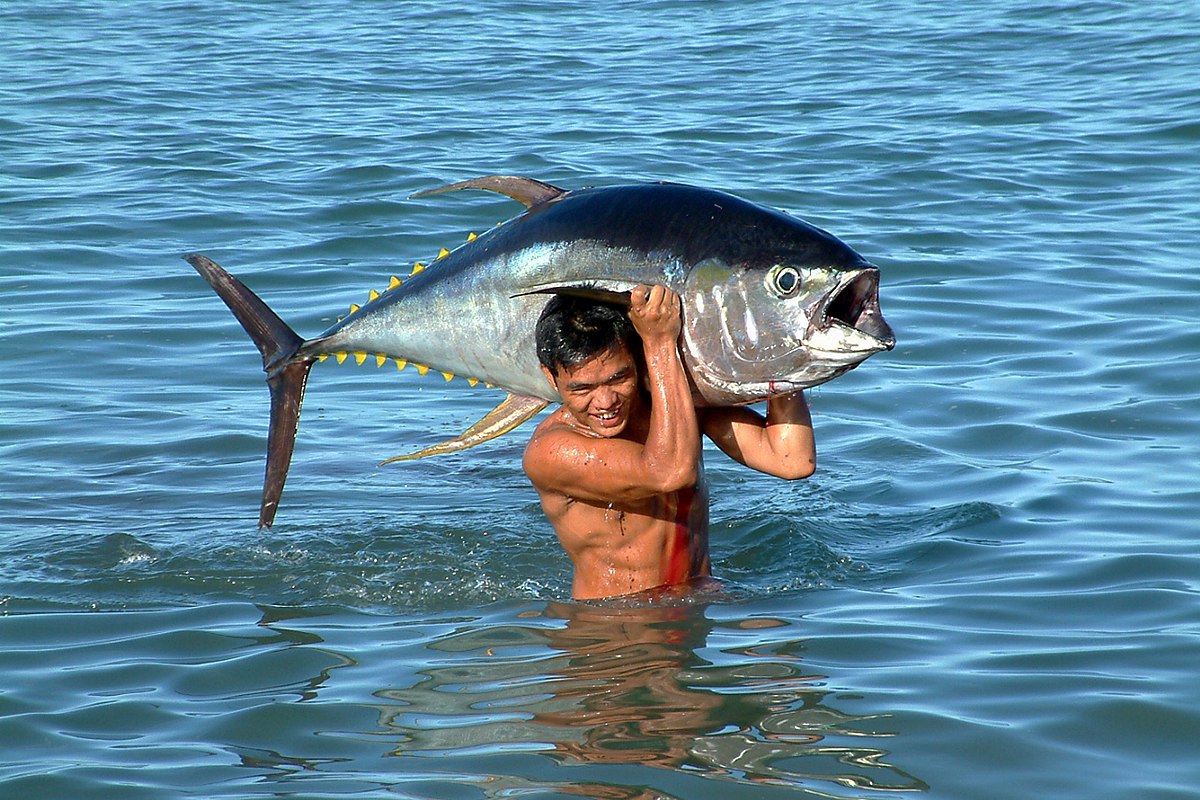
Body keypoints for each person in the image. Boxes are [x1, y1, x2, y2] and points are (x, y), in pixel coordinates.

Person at [523, 284, 816, 600]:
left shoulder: (673, 408)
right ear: (551, 378)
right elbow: (670, 472)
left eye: (619, 378)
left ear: (635, 360)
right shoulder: (551, 452)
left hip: (696, 605)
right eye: (583, 389)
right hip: (612, 625)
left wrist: (781, 351)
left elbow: (791, 460)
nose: (605, 401)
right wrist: (660, 340)